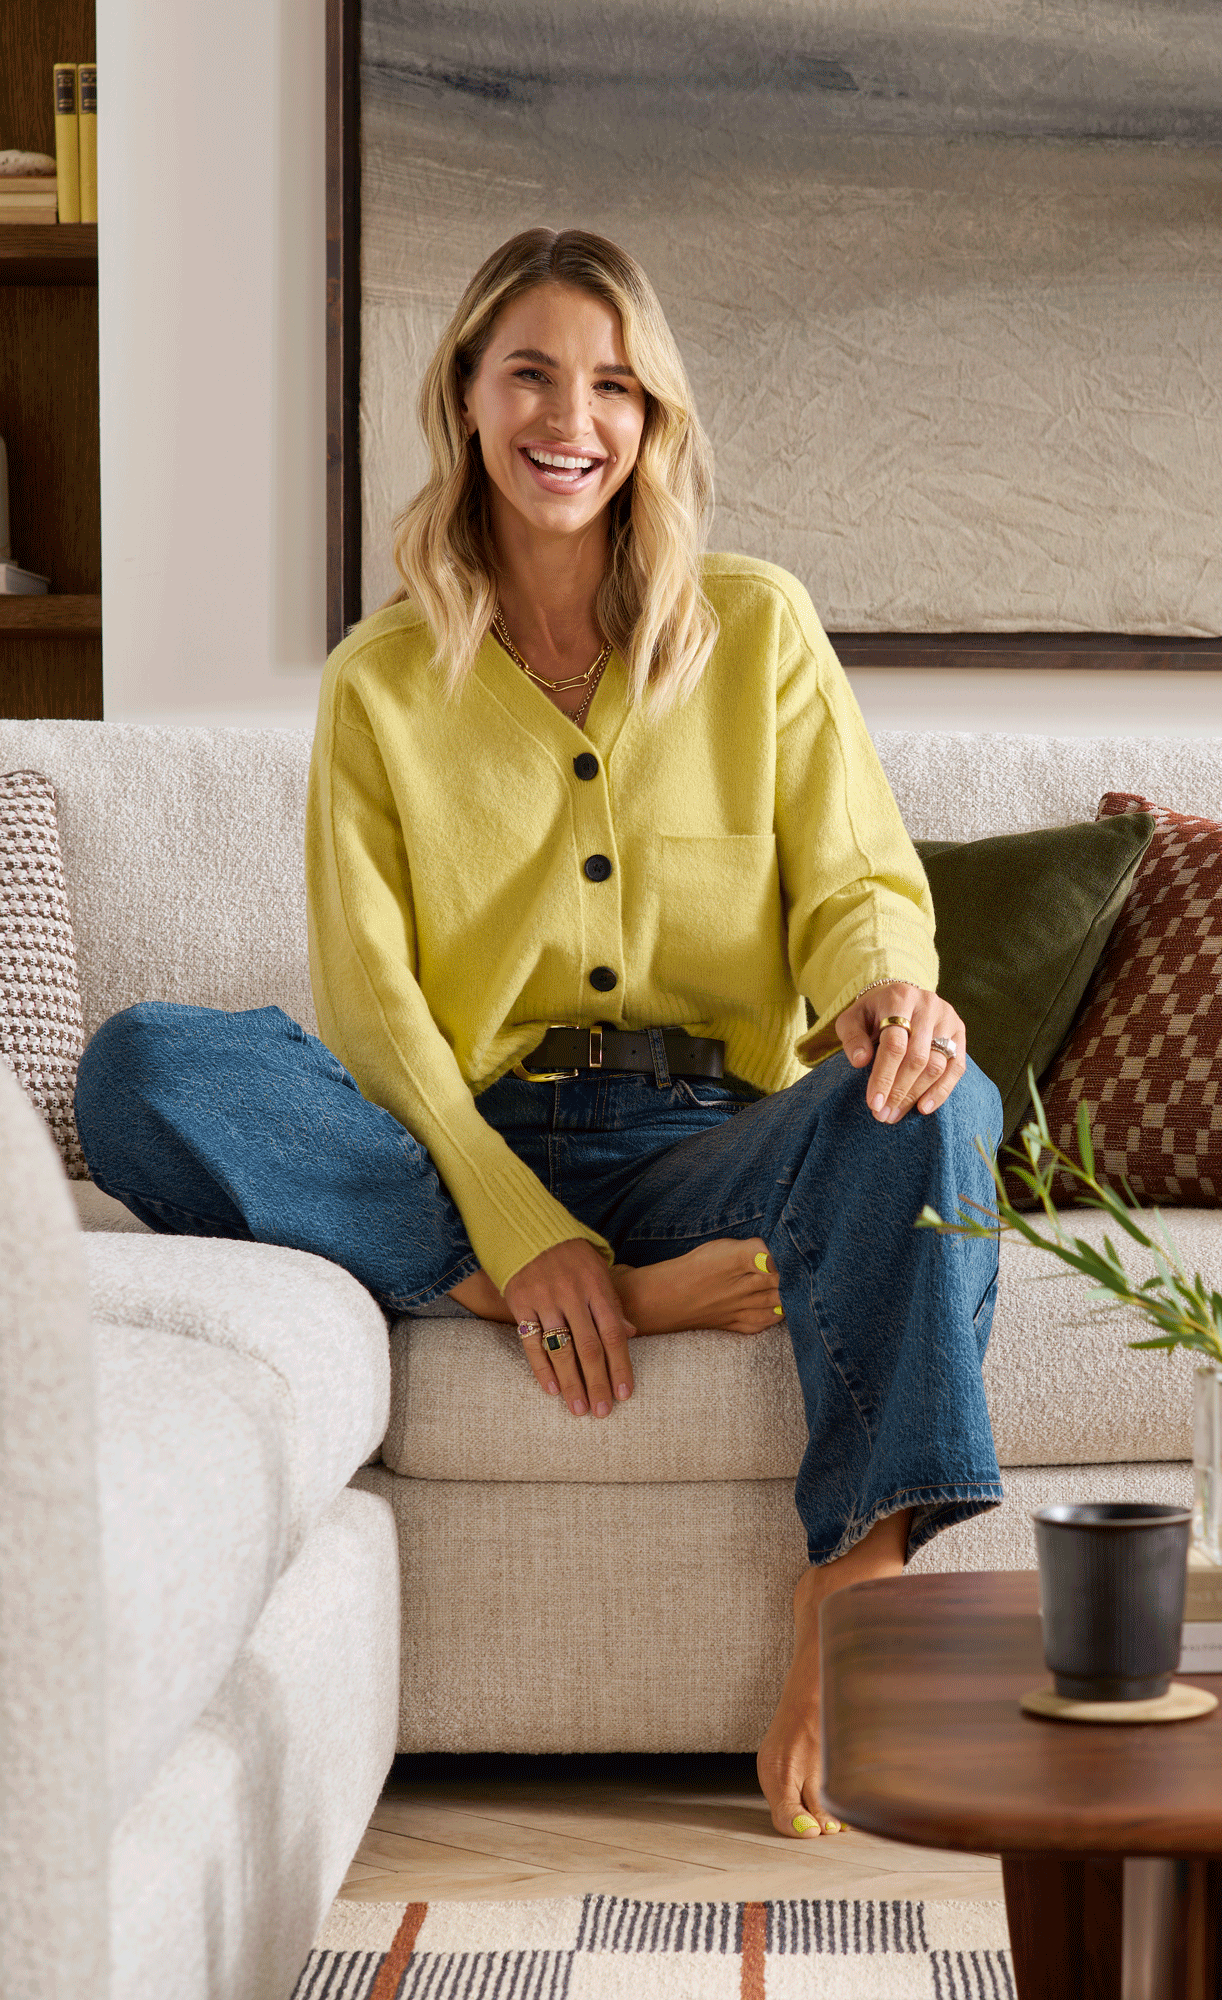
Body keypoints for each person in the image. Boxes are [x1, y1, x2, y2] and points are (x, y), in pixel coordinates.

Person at [73, 226, 1005, 1838]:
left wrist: (882, 988)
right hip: (467, 1144)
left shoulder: (757, 627)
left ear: (652, 421)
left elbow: (858, 881)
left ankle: (855, 1587)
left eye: (614, 385)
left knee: (941, 1103)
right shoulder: (381, 681)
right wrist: (522, 1243)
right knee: (144, 1065)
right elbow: (376, 1015)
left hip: (713, 1146)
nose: (571, 418)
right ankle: (571, 1295)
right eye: (531, 375)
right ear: (466, 396)